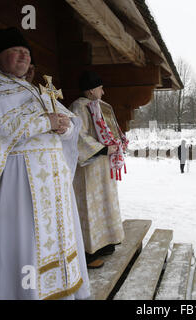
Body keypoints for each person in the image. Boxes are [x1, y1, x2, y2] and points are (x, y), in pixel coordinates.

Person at [0, 27, 90, 299]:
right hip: (18, 188)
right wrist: (45, 122)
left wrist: (65, 128)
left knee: (59, 241)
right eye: (16, 51)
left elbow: (68, 123)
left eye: (27, 53)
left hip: (53, 189)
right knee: (26, 242)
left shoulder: (34, 90)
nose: (23, 56)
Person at [70, 70, 127, 269]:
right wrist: (103, 148)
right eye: (100, 88)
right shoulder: (78, 107)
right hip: (89, 169)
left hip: (104, 167)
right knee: (90, 207)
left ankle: (105, 243)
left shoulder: (101, 107)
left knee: (105, 204)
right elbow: (76, 136)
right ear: (92, 90)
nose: (103, 92)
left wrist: (118, 141)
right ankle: (89, 251)